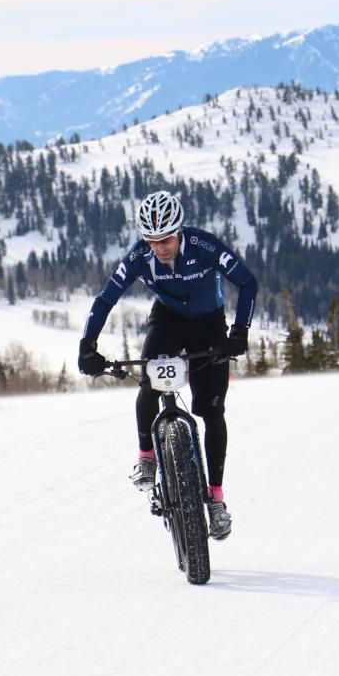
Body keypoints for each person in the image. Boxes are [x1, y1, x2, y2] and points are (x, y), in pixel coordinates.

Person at [77, 190, 257, 540]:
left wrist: (238, 332)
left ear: (180, 230)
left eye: (167, 239)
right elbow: (105, 299)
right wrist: (87, 345)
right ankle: (147, 456)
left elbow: (247, 283)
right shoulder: (139, 256)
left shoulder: (204, 246)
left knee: (212, 412)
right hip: (168, 321)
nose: (160, 247)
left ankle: (216, 502)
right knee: (149, 382)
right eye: (152, 241)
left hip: (209, 325)